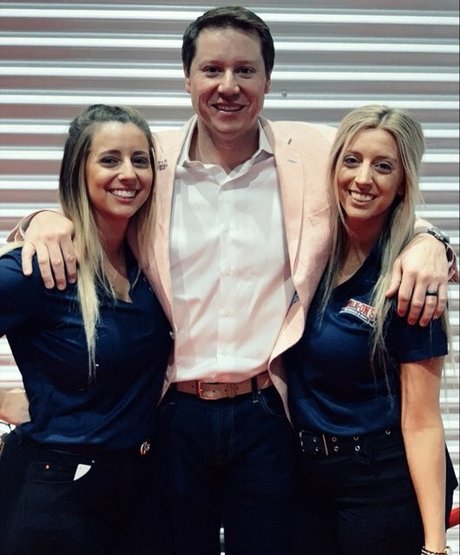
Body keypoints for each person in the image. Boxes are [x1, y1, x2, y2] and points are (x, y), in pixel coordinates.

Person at [8, 7, 457, 555]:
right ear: (187, 78)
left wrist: (431, 242)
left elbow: (380, 183)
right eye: (212, 69)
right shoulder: (150, 160)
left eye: (245, 70)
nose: (228, 86)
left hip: (266, 413)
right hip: (172, 414)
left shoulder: (312, 155)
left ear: (268, 79)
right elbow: (89, 198)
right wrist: (41, 219)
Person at [0, 104, 172, 555]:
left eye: (139, 160)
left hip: (137, 493)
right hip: (57, 498)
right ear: (79, 170)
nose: (128, 174)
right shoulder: (40, 267)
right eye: (110, 159)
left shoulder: (146, 268)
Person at [285, 105, 458, 555]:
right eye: (352, 160)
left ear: (403, 183)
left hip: (379, 484)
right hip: (305, 480)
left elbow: (422, 421)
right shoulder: (310, 253)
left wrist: (435, 546)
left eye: (383, 167)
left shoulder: (410, 279)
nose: (363, 179)